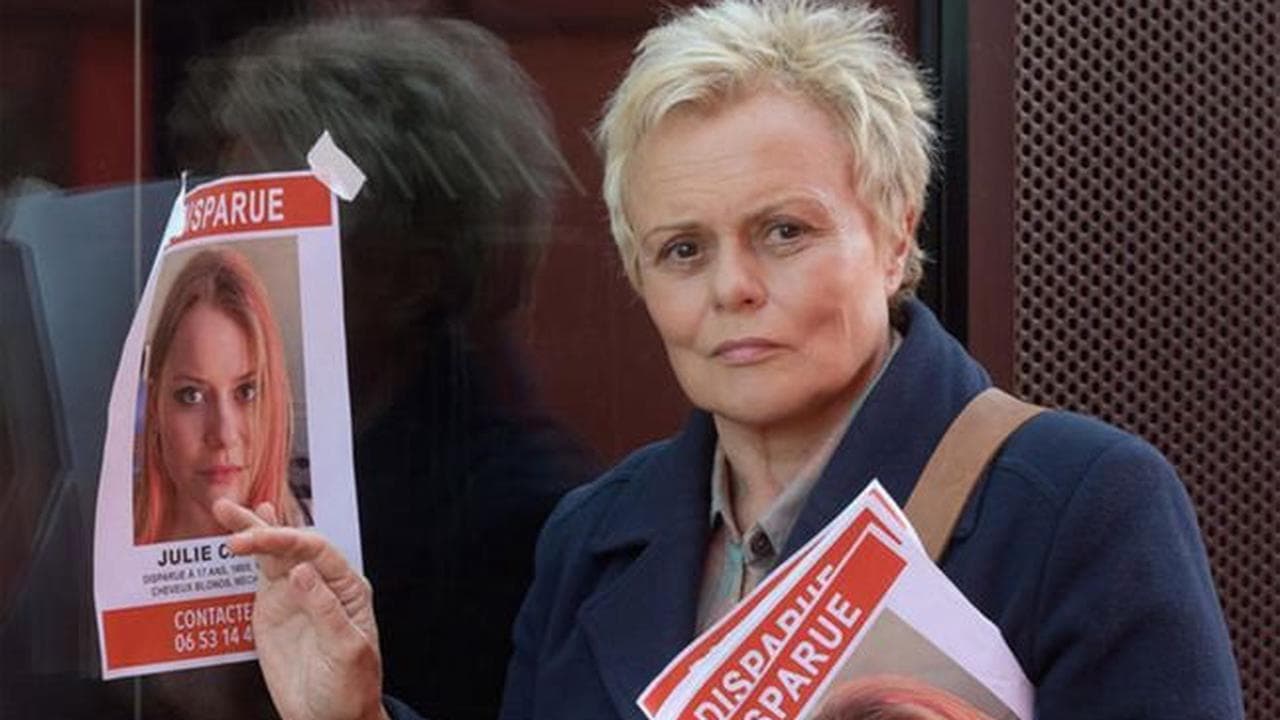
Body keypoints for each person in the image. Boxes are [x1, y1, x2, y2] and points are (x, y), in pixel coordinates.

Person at [217, 1, 1243, 719]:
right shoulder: (588, 538)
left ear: (895, 234)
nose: (731, 287)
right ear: (638, 276)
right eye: (682, 250)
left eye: (783, 232)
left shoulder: (1082, 506)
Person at [175, 13, 599, 718]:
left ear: (404, 275)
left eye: (263, 235)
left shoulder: (507, 527)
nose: (222, 268)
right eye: (215, 227)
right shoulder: (249, 446)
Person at [135, 246, 304, 545]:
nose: (224, 435)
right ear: (154, 406)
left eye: (247, 391)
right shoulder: (105, 539)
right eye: (191, 395)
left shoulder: (329, 544)